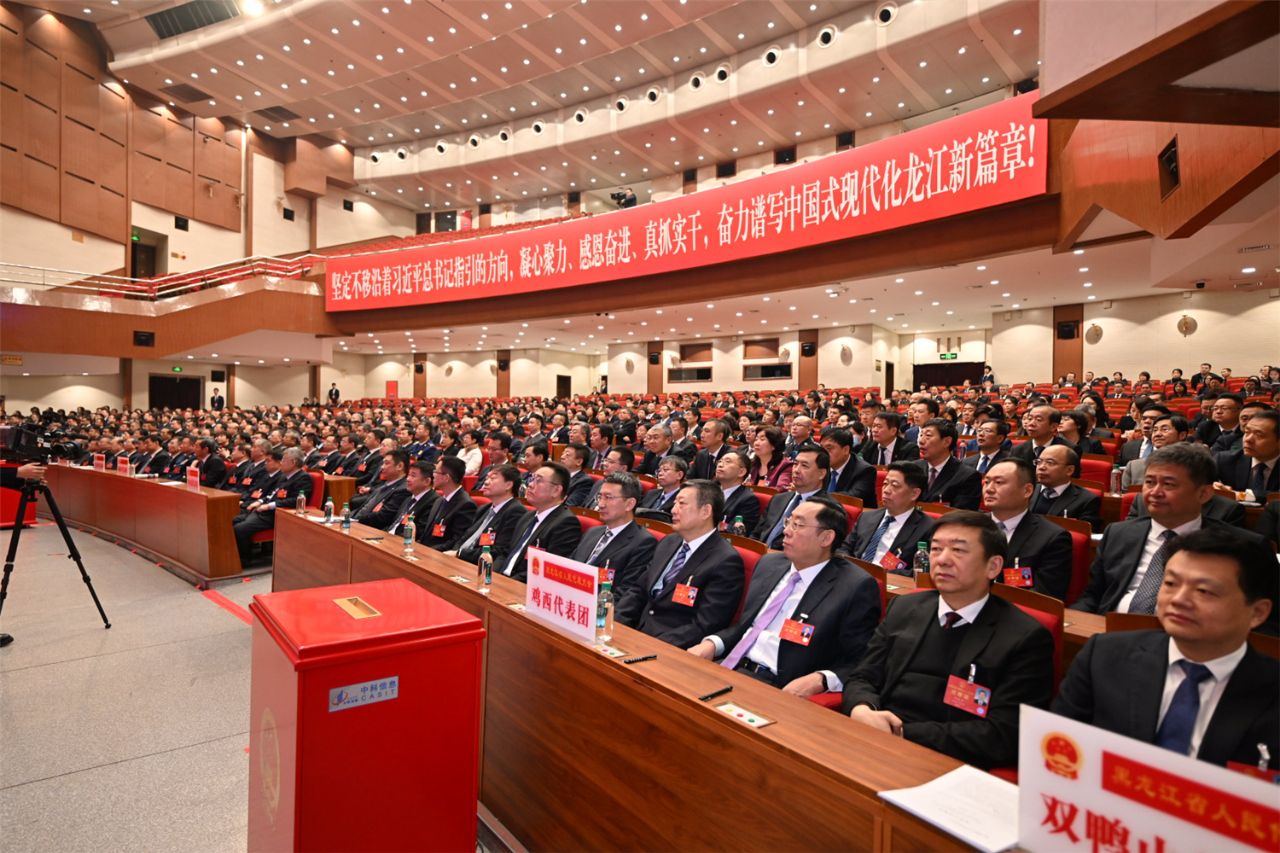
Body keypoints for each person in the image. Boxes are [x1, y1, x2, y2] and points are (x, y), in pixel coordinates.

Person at [841, 511, 1054, 769]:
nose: (942, 560)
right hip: (873, 739)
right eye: (936, 549)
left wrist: (901, 732)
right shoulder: (905, 607)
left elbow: (1003, 734)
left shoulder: (1025, 637)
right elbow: (862, 676)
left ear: (993, 566)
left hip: (947, 761)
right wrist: (862, 708)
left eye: (958, 550)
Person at [1054, 527, 1277, 767]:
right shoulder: (1103, 656)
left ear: (1257, 612)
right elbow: (1055, 747)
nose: (1178, 599)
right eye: (1170, 583)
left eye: (1204, 591)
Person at [689, 496, 881, 695]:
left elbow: (860, 660)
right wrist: (714, 643)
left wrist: (822, 679)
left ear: (826, 538)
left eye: (797, 525)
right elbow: (748, 627)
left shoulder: (854, 586)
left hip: (778, 685)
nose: (786, 531)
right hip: (730, 665)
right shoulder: (770, 564)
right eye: (788, 522)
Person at [1074, 444, 1266, 614]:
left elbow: (1265, 623)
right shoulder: (1118, 533)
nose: (1155, 492)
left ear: (1204, 493)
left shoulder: (1244, 548)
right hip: (1113, 632)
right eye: (1149, 482)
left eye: (1168, 484)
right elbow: (1093, 596)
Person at [615, 480, 744, 649]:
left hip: (669, 646)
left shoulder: (725, 561)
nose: (673, 510)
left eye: (681, 504)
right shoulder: (669, 542)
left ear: (706, 511)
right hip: (635, 631)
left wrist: (650, 646)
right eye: (674, 503)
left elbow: (704, 625)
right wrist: (616, 623)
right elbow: (638, 590)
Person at [982, 458, 1074, 600]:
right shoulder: (969, 526)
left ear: (1027, 490)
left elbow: (1042, 597)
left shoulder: (1052, 538)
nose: (989, 489)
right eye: (987, 482)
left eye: (999, 482)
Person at [569, 472, 657, 601]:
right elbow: (569, 567)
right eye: (600, 497)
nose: (601, 504)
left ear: (629, 504)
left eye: (608, 498)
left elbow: (626, 593)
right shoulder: (592, 532)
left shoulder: (643, 543)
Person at [840, 462, 934, 575]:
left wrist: (880, 574)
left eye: (894, 485)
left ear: (914, 494)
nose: (886, 490)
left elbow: (921, 572)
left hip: (889, 581)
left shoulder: (927, 529)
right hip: (853, 575)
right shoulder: (867, 517)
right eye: (885, 484)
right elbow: (844, 548)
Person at [496, 462, 581, 582]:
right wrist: (492, 575)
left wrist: (505, 583)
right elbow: (505, 553)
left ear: (556, 490)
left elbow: (546, 570)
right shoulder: (527, 516)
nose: (530, 485)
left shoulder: (566, 524)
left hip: (523, 586)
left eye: (538, 481)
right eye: (532, 479)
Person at [232, 448, 312, 561]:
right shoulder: (284, 476)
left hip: (277, 514)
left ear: (293, 462)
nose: (281, 463)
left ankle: (244, 559)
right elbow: (271, 494)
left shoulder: (303, 478)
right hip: (263, 511)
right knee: (233, 520)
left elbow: (296, 500)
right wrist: (260, 501)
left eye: (283, 460)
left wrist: (270, 505)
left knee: (239, 529)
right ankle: (235, 555)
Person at [450, 464, 528, 566]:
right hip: (457, 559)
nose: (486, 482)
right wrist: (454, 552)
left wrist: (459, 553)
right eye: (487, 478)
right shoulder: (484, 508)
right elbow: (465, 537)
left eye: (493, 478)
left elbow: (498, 551)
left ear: (508, 485)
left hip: (479, 565)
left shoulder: (515, 512)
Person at [753, 446, 829, 550]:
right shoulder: (778, 499)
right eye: (795, 464)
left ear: (821, 474)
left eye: (804, 466)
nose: (796, 470)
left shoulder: (826, 509)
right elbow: (756, 534)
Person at [914, 418, 981, 510]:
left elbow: (962, 515)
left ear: (947, 442)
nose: (921, 441)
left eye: (928, 436)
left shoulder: (967, 476)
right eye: (921, 435)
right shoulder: (912, 468)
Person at [1031, 445, 1101, 530]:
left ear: (1069, 470)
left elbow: (1084, 534)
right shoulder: (1026, 490)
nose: (1041, 467)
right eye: (1039, 462)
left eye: (1050, 463)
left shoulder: (1087, 500)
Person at [419, 456, 479, 551]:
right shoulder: (439, 500)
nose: (433, 475)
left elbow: (456, 541)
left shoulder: (466, 505)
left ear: (446, 477)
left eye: (436, 472)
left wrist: (428, 551)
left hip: (439, 554)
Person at [1214, 409, 1279, 495]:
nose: (1248, 439)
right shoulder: (1225, 460)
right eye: (1247, 432)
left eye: (1259, 435)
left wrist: (1239, 495)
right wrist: (1214, 487)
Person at [1121, 413, 1187, 489]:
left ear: (1182, 435)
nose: (1157, 434)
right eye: (1155, 430)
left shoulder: (1194, 465)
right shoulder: (1134, 467)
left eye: (1165, 429)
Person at [351, 450, 411, 529]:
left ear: (399, 466)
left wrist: (356, 520)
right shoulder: (384, 484)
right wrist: (350, 516)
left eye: (386, 463)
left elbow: (382, 517)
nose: (382, 467)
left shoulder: (403, 489)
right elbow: (364, 508)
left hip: (370, 529)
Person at [818, 427, 877, 506]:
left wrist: (818, 496)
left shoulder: (865, 470)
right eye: (821, 448)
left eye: (829, 448)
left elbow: (852, 497)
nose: (823, 453)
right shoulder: (820, 465)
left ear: (846, 450)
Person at [388, 460, 439, 536]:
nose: (407, 479)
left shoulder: (434, 503)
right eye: (408, 475)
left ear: (427, 481)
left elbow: (417, 533)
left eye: (413, 476)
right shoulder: (408, 499)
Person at [716, 449, 760, 534]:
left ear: (741, 472)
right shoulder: (709, 490)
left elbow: (735, 532)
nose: (720, 465)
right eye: (720, 461)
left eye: (727, 462)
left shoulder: (748, 500)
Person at [745, 426, 794, 490]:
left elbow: (781, 489)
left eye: (762, 439)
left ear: (774, 445)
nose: (756, 443)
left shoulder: (785, 465)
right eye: (756, 439)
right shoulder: (752, 463)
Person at [558, 442, 595, 507]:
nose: (562, 457)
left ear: (579, 462)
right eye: (563, 454)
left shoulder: (584, 482)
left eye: (567, 455)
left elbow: (569, 506)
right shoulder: (556, 475)